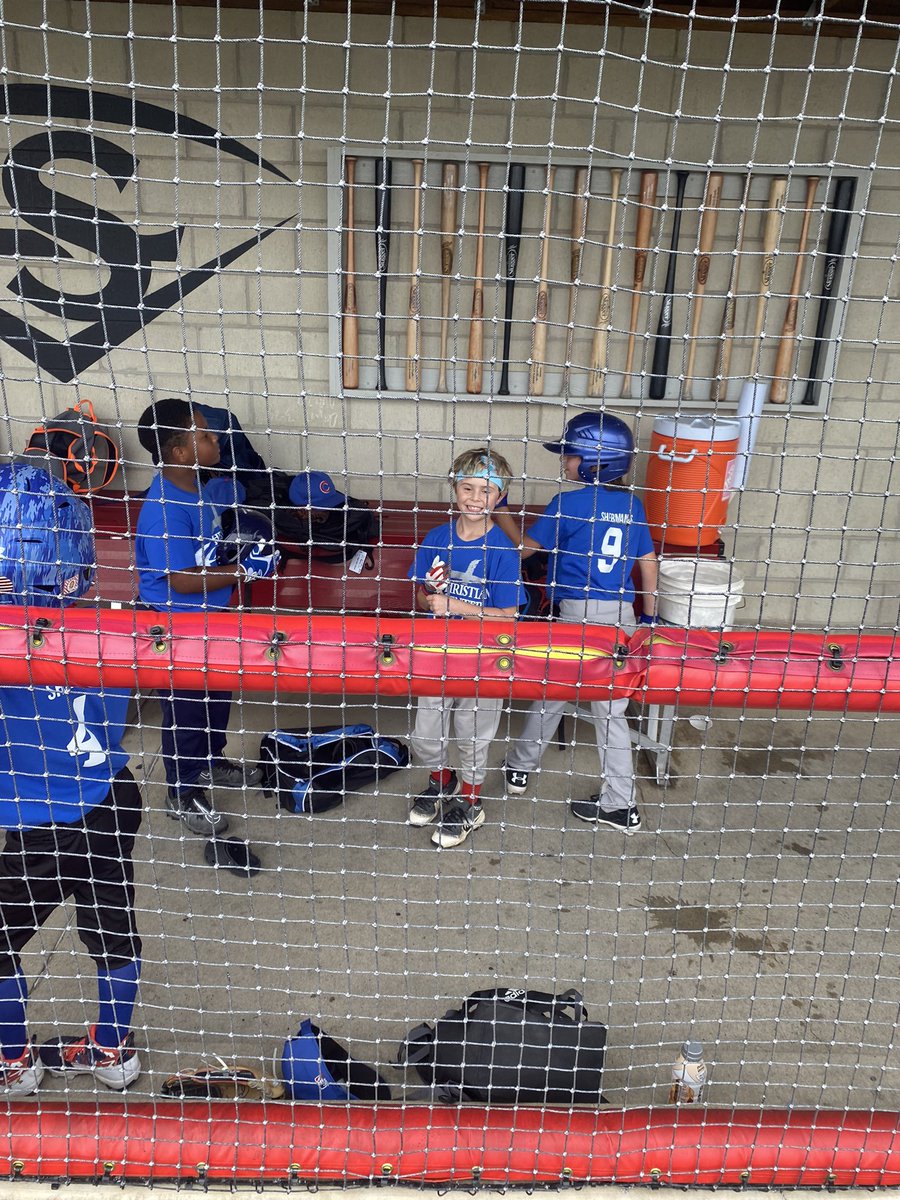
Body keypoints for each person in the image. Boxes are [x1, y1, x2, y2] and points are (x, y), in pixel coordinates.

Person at [0, 464, 142, 1094]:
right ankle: (112, 1054)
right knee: (112, 929)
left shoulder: (9, 641)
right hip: (111, 800)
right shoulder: (113, 626)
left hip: (36, 823)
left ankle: (12, 1060)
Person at [494, 412, 658, 835]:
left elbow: (525, 550)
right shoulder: (633, 504)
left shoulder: (569, 503)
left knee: (554, 693)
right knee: (608, 712)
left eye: (571, 454)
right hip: (620, 620)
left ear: (595, 460)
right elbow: (647, 562)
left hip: (577, 619)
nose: (565, 461)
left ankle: (520, 766)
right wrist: (649, 616)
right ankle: (620, 803)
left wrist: (501, 510)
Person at [135, 398, 279, 837]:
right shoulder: (164, 506)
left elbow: (206, 551)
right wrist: (241, 570)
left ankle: (210, 764)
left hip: (211, 617)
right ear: (179, 451)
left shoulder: (198, 487)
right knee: (185, 711)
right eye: (204, 435)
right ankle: (180, 791)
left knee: (215, 699)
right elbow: (178, 579)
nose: (214, 438)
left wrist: (243, 550)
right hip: (175, 625)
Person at [407, 448, 525, 848]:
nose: (476, 498)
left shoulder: (503, 550)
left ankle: (471, 801)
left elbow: (509, 616)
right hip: (437, 652)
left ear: (500, 497)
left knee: (472, 733)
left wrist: (454, 604)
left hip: (483, 658)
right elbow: (421, 594)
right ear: (454, 489)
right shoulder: (437, 537)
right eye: (468, 488)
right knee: (426, 734)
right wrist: (430, 597)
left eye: (487, 491)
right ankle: (442, 782)